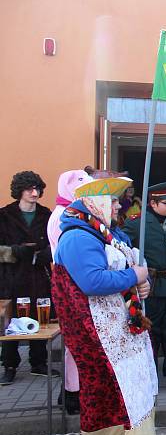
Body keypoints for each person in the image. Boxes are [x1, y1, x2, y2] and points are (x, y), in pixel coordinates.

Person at [50, 176, 158, 435]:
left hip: (116, 331)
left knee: (125, 388)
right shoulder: (78, 237)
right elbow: (92, 281)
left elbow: (126, 271)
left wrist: (141, 285)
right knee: (105, 390)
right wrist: (135, 277)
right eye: (111, 201)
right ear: (92, 203)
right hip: (93, 332)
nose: (117, 206)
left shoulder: (107, 233)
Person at [123, 182, 166, 391]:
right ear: (152, 203)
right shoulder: (136, 224)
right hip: (150, 286)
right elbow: (124, 248)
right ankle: (147, 373)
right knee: (150, 331)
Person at [0, 171, 52, 386]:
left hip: (39, 275)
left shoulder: (46, 215)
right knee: (11, 321)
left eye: (37, 188)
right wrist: (14, 251)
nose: (34, 192)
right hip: (12, 277)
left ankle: (38, 363)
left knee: (40, 318)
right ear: (19, 191)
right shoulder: (4, 215)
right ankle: (9, 365)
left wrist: (47, 255)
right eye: (29, 189)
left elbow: (54, 242)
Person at [46, 169, 92, 410]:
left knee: (80, 340)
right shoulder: (62, 216)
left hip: (73, 280)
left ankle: (77, 389)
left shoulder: (70, 213)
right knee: (75, 341)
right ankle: (71, 392)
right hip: (69, 283)